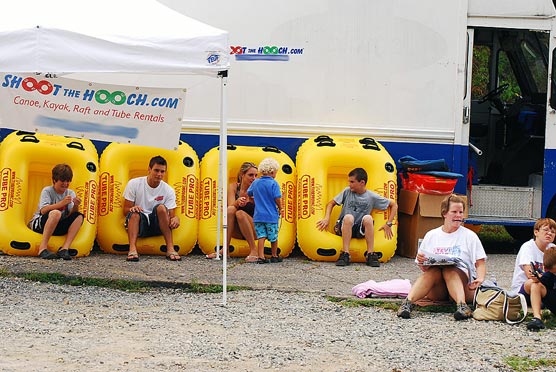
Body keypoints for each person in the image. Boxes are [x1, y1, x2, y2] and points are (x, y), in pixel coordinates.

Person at [397, 194, 487, 320]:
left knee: (449, 269)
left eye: (461, 212)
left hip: (461, 283)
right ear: (444, 213)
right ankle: (407, 303)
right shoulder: (432, 235)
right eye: (454, 212)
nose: (458, 216)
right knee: (433, 271)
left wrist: (480, 279)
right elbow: (423, 267)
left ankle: (462, 305)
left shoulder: (469, 236)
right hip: (438, 288)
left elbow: (480, 262)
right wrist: (423, 262)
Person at [316, 167, 397, 267]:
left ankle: (370, 254)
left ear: (362, 182)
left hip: (359, 229)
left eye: (352, 182)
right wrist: (327, 218)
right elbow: (330, 204)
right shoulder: (347, 191)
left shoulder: (371, 196)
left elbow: (394, 205)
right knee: (349, 217)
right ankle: (345, 254)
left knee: (368, 218)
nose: (349, 184)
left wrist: (388, 223)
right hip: (344, 226)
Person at [123, 155, 181, 262]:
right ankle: (132, 249)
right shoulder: (134, 184)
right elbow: (125, 210)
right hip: (140, 223)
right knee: (134, 213)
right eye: (156, 170)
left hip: (157, 224)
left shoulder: (168, 190)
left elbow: (171, 216)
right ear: (149, 169)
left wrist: (176, 219)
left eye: (162, 171)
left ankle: (170, 249)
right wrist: (132, 208)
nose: (159, 174)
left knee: (161, 208)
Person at [205, 161, 260, 262]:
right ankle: (225, 249)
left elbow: (262, 214)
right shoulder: (234, 187)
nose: (254, 178)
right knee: (231, 210)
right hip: (237, 230)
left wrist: (255, 201)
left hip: (254, 229)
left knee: (240, 213)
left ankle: (253, 250)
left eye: (256, 175)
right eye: (250, 175)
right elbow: (230, 207)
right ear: (242, 175)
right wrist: (237, 202)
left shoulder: (258, 190)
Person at [28, 163, 84, 260]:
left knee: (79, 216)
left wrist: (76, 205)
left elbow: (71, 214)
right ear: (54, 180)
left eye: (68, 181)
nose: (65, 184)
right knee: (56, 213)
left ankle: (64, 248)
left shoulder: (70, 193)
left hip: (58, 226)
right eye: (62, 181)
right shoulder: (47, 191)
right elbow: (43, 210)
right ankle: (42, 248)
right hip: (41, 224)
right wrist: (61, 204)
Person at [509, 218, 556, 330]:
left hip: (545, 286)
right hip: (525, 290)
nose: (549, 233)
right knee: (534, 282)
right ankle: (537, 317)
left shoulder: (552, 249)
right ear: (536, 232)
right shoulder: (528, 247)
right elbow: (530, 274)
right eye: (546, 230)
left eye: (553, 232)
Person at [247, 157, 283, 264]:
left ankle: (261, 257)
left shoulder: (256, 183)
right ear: (272, 172)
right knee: (273, 237)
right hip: (271, 215)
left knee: (261, 236)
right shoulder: (273, 183)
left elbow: (249, 193)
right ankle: (274, 255)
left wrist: (254, 199)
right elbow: (277, 197)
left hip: (258, 216)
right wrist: (281, 208)